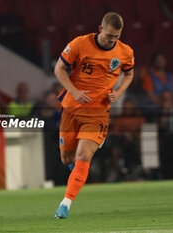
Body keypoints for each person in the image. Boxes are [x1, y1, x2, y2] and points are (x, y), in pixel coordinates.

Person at [54, 12, 134, 219]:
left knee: (83, 155)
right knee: (67, 158)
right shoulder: (80, 44)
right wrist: (73, 91)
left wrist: (119, 91)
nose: (112, 40)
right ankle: (79, 172)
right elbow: (59, 69)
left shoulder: (125, 52)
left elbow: (129, 73)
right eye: (109, 35)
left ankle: (66, 203)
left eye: (116, 36)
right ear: (100, 29)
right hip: (71, 108)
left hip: (98, 112)